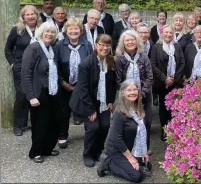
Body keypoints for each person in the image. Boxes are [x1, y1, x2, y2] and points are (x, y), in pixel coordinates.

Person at [69, 34, 116, 167]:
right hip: (87, 102)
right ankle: (87, 154)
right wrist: (90, 110)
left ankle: (98, 151)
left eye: (108, 45)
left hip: (103, 101)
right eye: (102, 44)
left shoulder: (111, 62)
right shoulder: (86, 64)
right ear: (96, 45)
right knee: (93, 127)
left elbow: (112, 85)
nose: (105, 48)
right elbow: (82, 89)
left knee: (105, 126)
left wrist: (111, 101)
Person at [96, 80, 152, 183]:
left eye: (135, 89)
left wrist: (143, 152)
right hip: (116, 149)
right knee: (137, 176)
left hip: (131, 146)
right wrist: (131, 158)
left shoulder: (139, 108)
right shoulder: (119, 112)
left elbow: (141, 132)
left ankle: (127, 163)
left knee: (148, 166)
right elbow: (117, 139)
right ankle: (107, 163)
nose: (132, 92)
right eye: (129, 90)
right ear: (123, 93)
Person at [21, 21, 61, 163]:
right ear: (41, 33)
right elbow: (26, 73)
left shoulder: (52, 49)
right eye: (47, 32)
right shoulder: (34, 48)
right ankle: (36, 152)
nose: (49, 34)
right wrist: (31, 96)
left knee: (55, 121)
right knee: (40, 123)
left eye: (52, 32)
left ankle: (47, 149)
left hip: (52, 90)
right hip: (39, 92)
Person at [55, 18, 93, 148]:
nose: (73, 31)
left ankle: (90, 134)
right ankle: (62, 135)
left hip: (82, 85)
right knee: (63, 111)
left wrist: (81, 85)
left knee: (86, 109)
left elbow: (91, 66)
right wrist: (62, 82)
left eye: (76, 28)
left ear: (81, 31)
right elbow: (55, 65)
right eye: (70, 28)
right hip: (64, 84)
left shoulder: (87, 45)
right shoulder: (59, 45)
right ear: (66, 30)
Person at [5, 5, 42, 136]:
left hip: (38, 68)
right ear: (23, 17)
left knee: (36, 94)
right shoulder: (17, 30)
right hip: (20, 67)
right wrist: (13, 64)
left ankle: (36, 123)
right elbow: (8, 48)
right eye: (27, 14)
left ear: (37, 16)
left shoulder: (42, 30)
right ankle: (19, 125)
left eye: (33, 14)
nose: (31, 16)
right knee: (22, 95)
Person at [115, 30, 153, 152]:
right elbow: (118, 80)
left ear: (137, 41)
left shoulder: (143, 56)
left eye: (132, 39)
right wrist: (129, 94)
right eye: (127, 40)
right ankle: (129, 151)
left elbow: (149, 77)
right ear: (123, 43)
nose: (130, 42)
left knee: (145, 123)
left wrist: (141, 94)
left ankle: (144, 151)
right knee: (128, 125)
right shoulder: (120, 59)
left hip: (144, 96)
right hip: (126, 98)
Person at [150, 25, 185, 141]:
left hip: (175, 83)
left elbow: (182, 63)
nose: (168, 34)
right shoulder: (156, 47)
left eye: (171, 32)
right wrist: (165, 78)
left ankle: (172, 128)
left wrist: (174, 78)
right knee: (163, 107)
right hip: (162, 83)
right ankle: (164, 129)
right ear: (162, 33)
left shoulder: (177, 46)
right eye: (166, 32)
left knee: (174, 107)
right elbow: (153, 65)